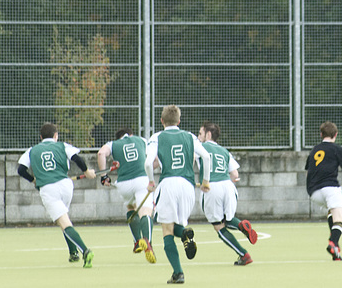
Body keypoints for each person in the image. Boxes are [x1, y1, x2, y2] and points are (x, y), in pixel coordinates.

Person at [145, 105, 211, 284]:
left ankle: (178, 273)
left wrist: (151, 182)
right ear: (179, 121)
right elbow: (206, 157)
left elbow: (148, 162)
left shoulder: (157, 137)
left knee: (167, 230)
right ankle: (185, 234)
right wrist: (206, 181)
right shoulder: (190, 136)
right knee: (177, 226)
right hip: (188, 186)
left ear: (162, 121)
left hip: (168, 184)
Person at [17, 122, 96, 267]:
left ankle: (85, 251)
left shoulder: (32, 150)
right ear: (55, 136)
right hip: (66, 186)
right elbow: (77, 159)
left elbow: (21, 170)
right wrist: (86, 171)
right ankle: (73, 253)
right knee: (65, 220)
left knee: (64, 223)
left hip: (48, 189)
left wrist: (33, 180)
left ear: (41, 137)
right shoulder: (62, 145)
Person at [197, 121, 257, 266]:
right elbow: (235, 174)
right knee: (228, 219)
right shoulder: (224, 151)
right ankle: (242, 225)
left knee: (218, 225)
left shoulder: (199, 147)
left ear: (208, 134)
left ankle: (244, 254)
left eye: (200, 133)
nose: (198, 137)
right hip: (229, 186)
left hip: (212, 187)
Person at [305, 121, 342, 261]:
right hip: (331, 188)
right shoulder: (338, 149)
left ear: (321, 134)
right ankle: (333, 243)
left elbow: (308, 173)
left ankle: (335, 249)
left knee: (332, 211)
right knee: (339, 220)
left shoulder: (314, 150)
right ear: (336, 134)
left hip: (313, 192)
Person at [97, 128, 156, 263]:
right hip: (142, 180)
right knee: (145, 212)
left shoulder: (113, 144)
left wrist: (103, 175)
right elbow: (154, 159)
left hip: (123, 184)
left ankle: (137, 241)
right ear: (131, 135)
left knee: (131, 208)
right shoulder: (141, 140)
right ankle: (148, 242)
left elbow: (101, 154)